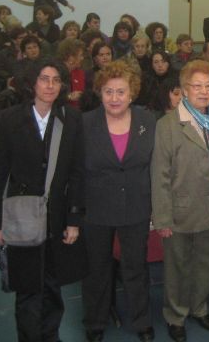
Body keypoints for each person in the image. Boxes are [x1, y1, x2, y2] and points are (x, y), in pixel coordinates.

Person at [0, 59, 86, 342]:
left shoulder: (71, 118)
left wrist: (74, 219)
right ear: (33, 82)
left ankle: (51, 335)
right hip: (20, 216)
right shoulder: (10, 119)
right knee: (28, 287)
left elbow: (78, 172)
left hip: (56, 216)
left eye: (56, 80)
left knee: (53, 286)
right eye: (44, 79)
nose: (50, 85)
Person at [151, 60, 209, 342]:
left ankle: (199, 307)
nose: (203, 91)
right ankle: (176, 315)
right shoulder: (168, 125)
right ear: (184, 90)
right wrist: (162, 218)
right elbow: (159, 175)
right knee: (177, 269)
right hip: (180, 211)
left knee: (205, 264)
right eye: (197, 86)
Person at [81, 60, 155, 342]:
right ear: (100, 93)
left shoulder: (148, 121)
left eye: (120, 92)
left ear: (132, 93)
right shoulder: (85, 123)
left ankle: (142, 321)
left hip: (136, 207)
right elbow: (76, 171)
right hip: (96, 208)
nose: (114, 98)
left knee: (135, 267)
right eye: (108, 91)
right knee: (96, 268)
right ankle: (95, 321)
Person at [56, 38, 86, 108]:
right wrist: (69, 97)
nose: (82, 58)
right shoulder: (58, 73)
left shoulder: (74, 72)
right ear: (71, 58)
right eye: (80, 55)